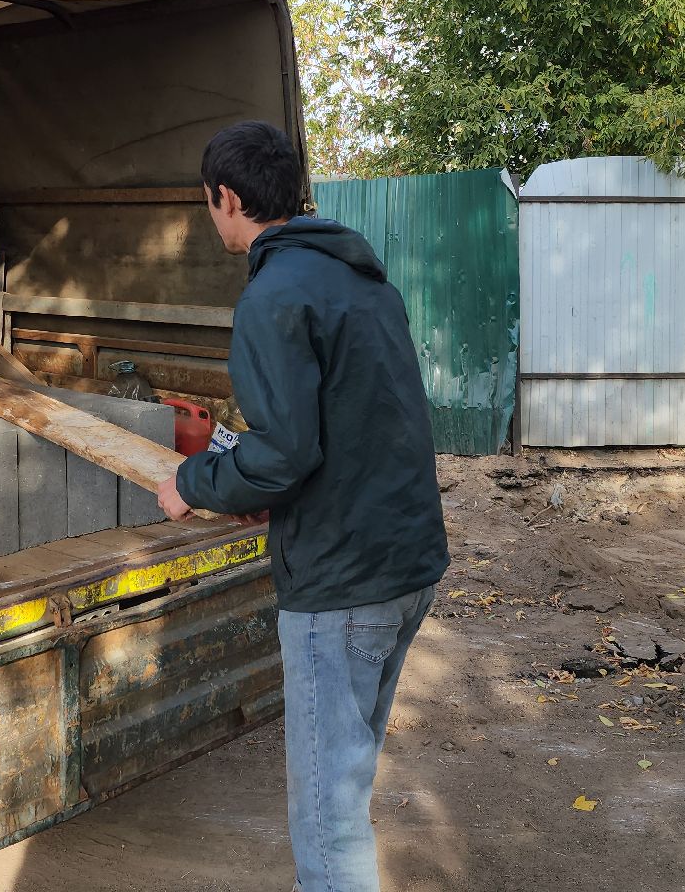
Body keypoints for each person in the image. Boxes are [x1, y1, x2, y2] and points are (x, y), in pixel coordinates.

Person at [157, 120, 449, 892]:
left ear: (226, 198)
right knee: (345, 784)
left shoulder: (273, 296)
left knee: (327, 813)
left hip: (343, 583)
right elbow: (353, 426)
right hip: (407, 564)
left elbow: (284, 454)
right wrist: (263, 488)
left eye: (208, 202)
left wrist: (194, 484)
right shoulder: (361, 278)